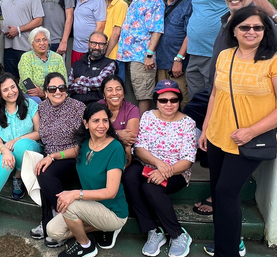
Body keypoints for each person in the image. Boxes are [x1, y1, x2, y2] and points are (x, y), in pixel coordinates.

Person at [199, 6, 277, 257]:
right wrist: (205, 128)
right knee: (219, 193)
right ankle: (227, 242)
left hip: (247, 141)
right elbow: (215, 94)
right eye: (245, 27)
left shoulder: (274, 59)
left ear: (266, 31)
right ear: (234, 30)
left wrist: (251, 131)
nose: (251, 31)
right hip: (217, 136)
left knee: (225, 193)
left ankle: (229, 250)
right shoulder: (225, 56)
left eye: (258, 27)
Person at [192, 0, 258, 217]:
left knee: (228, 185)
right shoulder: (226, 20)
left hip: (241, 108)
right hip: (216, 95)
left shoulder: (255, 25)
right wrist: (207, 126)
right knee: (189, 115)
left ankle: (219, 199)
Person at [185, 0, 277, 99]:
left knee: (218, 97)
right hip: (194, 52)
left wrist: (276, 17)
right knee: (198, 100)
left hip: (218, 52)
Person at [123, 79, 196, 257]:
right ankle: (153, 230)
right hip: (148, 165)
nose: (169, 104)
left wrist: (165, 171)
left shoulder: (188, 123)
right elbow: (139, 148)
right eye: (163, 100)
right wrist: (158, 164)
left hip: (177, 172)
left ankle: (178, 234)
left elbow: (188, 159)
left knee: (150, 187)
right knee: (129, 176)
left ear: (179, 101)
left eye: (173, 100)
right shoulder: (148, 116)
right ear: (156, 101)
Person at [46, 103, 129, 257]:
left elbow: (111, 192)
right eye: (95, 120)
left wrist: (76, 194)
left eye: (105, 120)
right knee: (53, 231)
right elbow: (74, 151)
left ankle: (86, 246)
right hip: (91, 207)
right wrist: (52, 156)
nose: (101, 125)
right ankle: (99, 227)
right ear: (86, 123)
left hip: (113, 211)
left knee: (70, 206)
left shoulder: (115, 148)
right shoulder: (86, 143)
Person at [0, 73, 42, 236]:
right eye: (5, 90)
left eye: (13, 87)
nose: (11, 91)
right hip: (4, 150)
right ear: (0, 93)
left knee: (21, 145)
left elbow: (38, 132)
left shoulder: (30, 104)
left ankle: (18, 176)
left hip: (31, 148)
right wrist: (5, 150)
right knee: (5, 162)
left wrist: (16, 140)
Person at [29, 72, 86, 248]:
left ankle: (60, 223)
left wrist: (53, 157)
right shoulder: (42, 108)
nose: (58, 92)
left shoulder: (78, 107)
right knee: (42, 168)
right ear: (45, 91)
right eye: (52, 88)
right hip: (49, 156)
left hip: (71, 156)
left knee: (45, 172)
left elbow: (82, 145)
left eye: (62, 87)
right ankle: (50, 221)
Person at [117, 0, 164, 115]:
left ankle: (143, 128)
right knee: (136, 92)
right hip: (129, 55)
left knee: (144, 95)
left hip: (142, 57)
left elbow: (157, 29)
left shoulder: (154, 0)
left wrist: (149, 55)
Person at [156, 0, 192, 109]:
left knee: (181, 99)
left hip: (178, 64)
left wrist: (179, 59)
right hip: (161, 62)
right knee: (163, 99)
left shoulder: (189, 3)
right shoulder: (160, 5)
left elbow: (191, 34)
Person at [1, 0, 44, 78]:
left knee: (27, 80)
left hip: (26, 48)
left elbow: (39, 20)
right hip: (8, 47)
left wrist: (18, 30)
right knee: (11, 79)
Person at [98, 75, 140, 167]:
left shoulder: (132, 109)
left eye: (118, 89)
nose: (114, 93)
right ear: (104, 95)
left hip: (123, 152)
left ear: (124, 92)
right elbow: (94, 135)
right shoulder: (98, 108)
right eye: (109, 90)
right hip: (100, 150)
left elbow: (129, 140)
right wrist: (117, 134)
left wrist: (106, 134)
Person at [18, 27, 67, 103]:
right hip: (32, 96)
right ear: (32, 44)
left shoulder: (57, 58)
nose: (42, 43)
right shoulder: (26, 57)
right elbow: (27, 83)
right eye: (38, 41)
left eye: (44, 39)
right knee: (36, 101)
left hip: (54, 93)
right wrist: (41, 95)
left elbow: (64, 81)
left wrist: (44, 94)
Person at [69, 31, 116, 105]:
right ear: (88, 44)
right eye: (94, 43)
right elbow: (70, 86)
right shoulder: (77, 64)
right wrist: (90, 87)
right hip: (75, 105)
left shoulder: (110, 64)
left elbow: (100, 83)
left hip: (98, 105)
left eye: (101, 44)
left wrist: (80, 80)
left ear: (105, 46)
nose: (97, 47)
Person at [72, 0, 106, 66]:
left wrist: (93, 47)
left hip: (89, 49)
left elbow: (100, 26)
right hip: (76, 47)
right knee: (75, 75)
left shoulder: (98, 0)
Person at [102, 0, 128, 82]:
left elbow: (116, 33)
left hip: (115, 56)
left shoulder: (120, 5)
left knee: (117, 87)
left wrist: (106, 55)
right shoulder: (107, 5)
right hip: (109, 54)